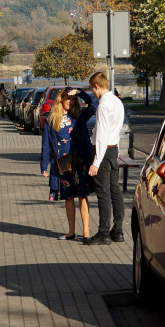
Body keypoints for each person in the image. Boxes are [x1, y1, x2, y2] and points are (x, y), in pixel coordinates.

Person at [40, 87, 95, 241]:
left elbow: (93, 105)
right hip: (63, 164)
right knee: (68, 197)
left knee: (82, 196)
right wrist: (44, 166)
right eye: (67, 98)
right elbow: (46, 145)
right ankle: (71, 231)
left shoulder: (79, 116)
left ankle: (86, 231)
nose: (70, 102)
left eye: (72, 99)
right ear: (61, 100)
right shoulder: (51, 119)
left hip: (79, 161)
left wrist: (79, 93)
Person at [85, 71, 126, 245]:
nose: (93, 93)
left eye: (92, 89)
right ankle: (118, 231)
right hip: (113, 149)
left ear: (96, 86)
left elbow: (101, 135)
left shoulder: (103, 106)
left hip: (103, 151)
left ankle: (103, 233)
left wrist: (96, 162)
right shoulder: (117, 101)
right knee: (115, 190)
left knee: (103, 193)